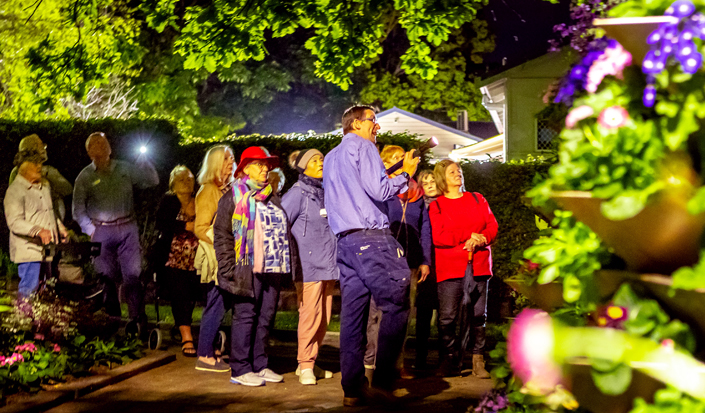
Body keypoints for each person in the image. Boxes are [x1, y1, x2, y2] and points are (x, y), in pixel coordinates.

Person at [323, 105, 419, 407]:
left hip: (346, 243)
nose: (377, 127)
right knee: (397, 302)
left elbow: (356, 188)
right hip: (371, 238)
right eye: (372, 121)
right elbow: (379, 190)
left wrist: (390, 172)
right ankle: (384, 382)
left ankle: (353, 389)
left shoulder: (331, 156)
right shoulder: (364, 147)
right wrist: (406, 174)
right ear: (355, 124)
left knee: (353, 317)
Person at [214, 146, 290, 387]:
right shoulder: (234, 197)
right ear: (245, 168)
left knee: (266, 316)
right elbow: (223, 234)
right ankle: (240, 368)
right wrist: (229, 267)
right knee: (245, 315)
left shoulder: (271, 196)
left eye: (267, 165)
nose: (265, 169)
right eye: (259, 164)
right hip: (245, 265)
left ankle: (260, 364)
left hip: (272, 266)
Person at [73, 132, 159, 327]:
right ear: (89, 152)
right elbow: (77, 209)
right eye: (95, 145)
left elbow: (152, 181)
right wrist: (90, 230)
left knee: (133, 275)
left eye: (104, 143)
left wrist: (146, 162)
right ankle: (113, 320)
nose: (101, 147)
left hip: (127, 228)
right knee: (106, 277)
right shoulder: (84, 177)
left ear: (110, 148)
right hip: (101, 231)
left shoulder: (124, 169)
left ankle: (137, 320)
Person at [363, 145, 431, 382]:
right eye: (398, 158)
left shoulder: (417, 194)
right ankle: (371, 362)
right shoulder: (381, 192)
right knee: (376, 314)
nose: (404, 161)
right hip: (383, 259)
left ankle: (396, 363)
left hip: (409, 262)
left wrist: (425, 260)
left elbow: (425, 228)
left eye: (405, 157)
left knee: (403, 315)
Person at [428, 160, 498, 378]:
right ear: (442, 178)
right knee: (447, 317)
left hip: (478, 266)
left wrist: (481, 239)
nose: (457, 174)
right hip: (450, 268)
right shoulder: (437, 206)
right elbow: (439, 236)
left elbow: (492, 225)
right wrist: (468, 236)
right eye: (452, 172)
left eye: (459, 171)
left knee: (478, 316)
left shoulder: (477, 198)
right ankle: (448, 359)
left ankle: (478, 359)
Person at [282, 149, 337, 385]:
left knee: (323, 316)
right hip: (308, 265)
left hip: (328, 263)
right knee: (310, 314)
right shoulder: (297, 193)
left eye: (321, 159)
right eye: (314, 160)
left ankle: (310, 361)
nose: (320, 163)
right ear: (303, 166)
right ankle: (305, 364)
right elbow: (281, 222)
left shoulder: (325, 192)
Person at [193, 145, 235, 373]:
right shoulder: (209, 190)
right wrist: (223, 243)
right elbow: (200, 228)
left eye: (231, 158)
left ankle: (211, 349)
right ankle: (205, 355)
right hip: (217, 257)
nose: (231, 162)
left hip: (226, 255)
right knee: (216, 302)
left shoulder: (228, 189)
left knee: (222, 303)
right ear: (215, 163)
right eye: (226, 158)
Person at [5, 150, 68, 298]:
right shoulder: (14, 191)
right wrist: (38, 231)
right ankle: (24, 312)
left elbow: (50, 212)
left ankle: (39, 313)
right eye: (35, 163)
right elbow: (14, 222)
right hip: (29, 250)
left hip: (47, 249)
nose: (39, 166)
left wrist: (60, 228)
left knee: (46, 287)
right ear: (23, 167)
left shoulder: (44, 186)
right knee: (29, 288)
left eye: (40, 163)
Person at [153, 166, 200, 357]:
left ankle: (184, 326)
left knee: (194, 293)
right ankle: (186, 336)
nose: (186, 182)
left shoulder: (199, 199)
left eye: (189, 179)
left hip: (197, 259)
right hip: (173, 259)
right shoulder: (169, 200)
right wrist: (186, 225)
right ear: (173, 183)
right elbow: (161, 223)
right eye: (181, 179)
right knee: (180, 292)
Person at [9, 134, 73, 221]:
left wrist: (49, 175)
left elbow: (67, 190)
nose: (44, 149)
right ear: (30, 151)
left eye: (43, 145)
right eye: (40, 146)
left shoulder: (48, 170)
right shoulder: (17, 172)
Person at [414, 169, 440, 371]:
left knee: (445, 313)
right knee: (423, 312)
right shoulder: (418, 205)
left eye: (433, 180)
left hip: (443, 263)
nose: (430, 184)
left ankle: (444, 359)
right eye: (425, 182)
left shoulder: (446, 203)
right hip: (425, 262)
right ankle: (420, 359)